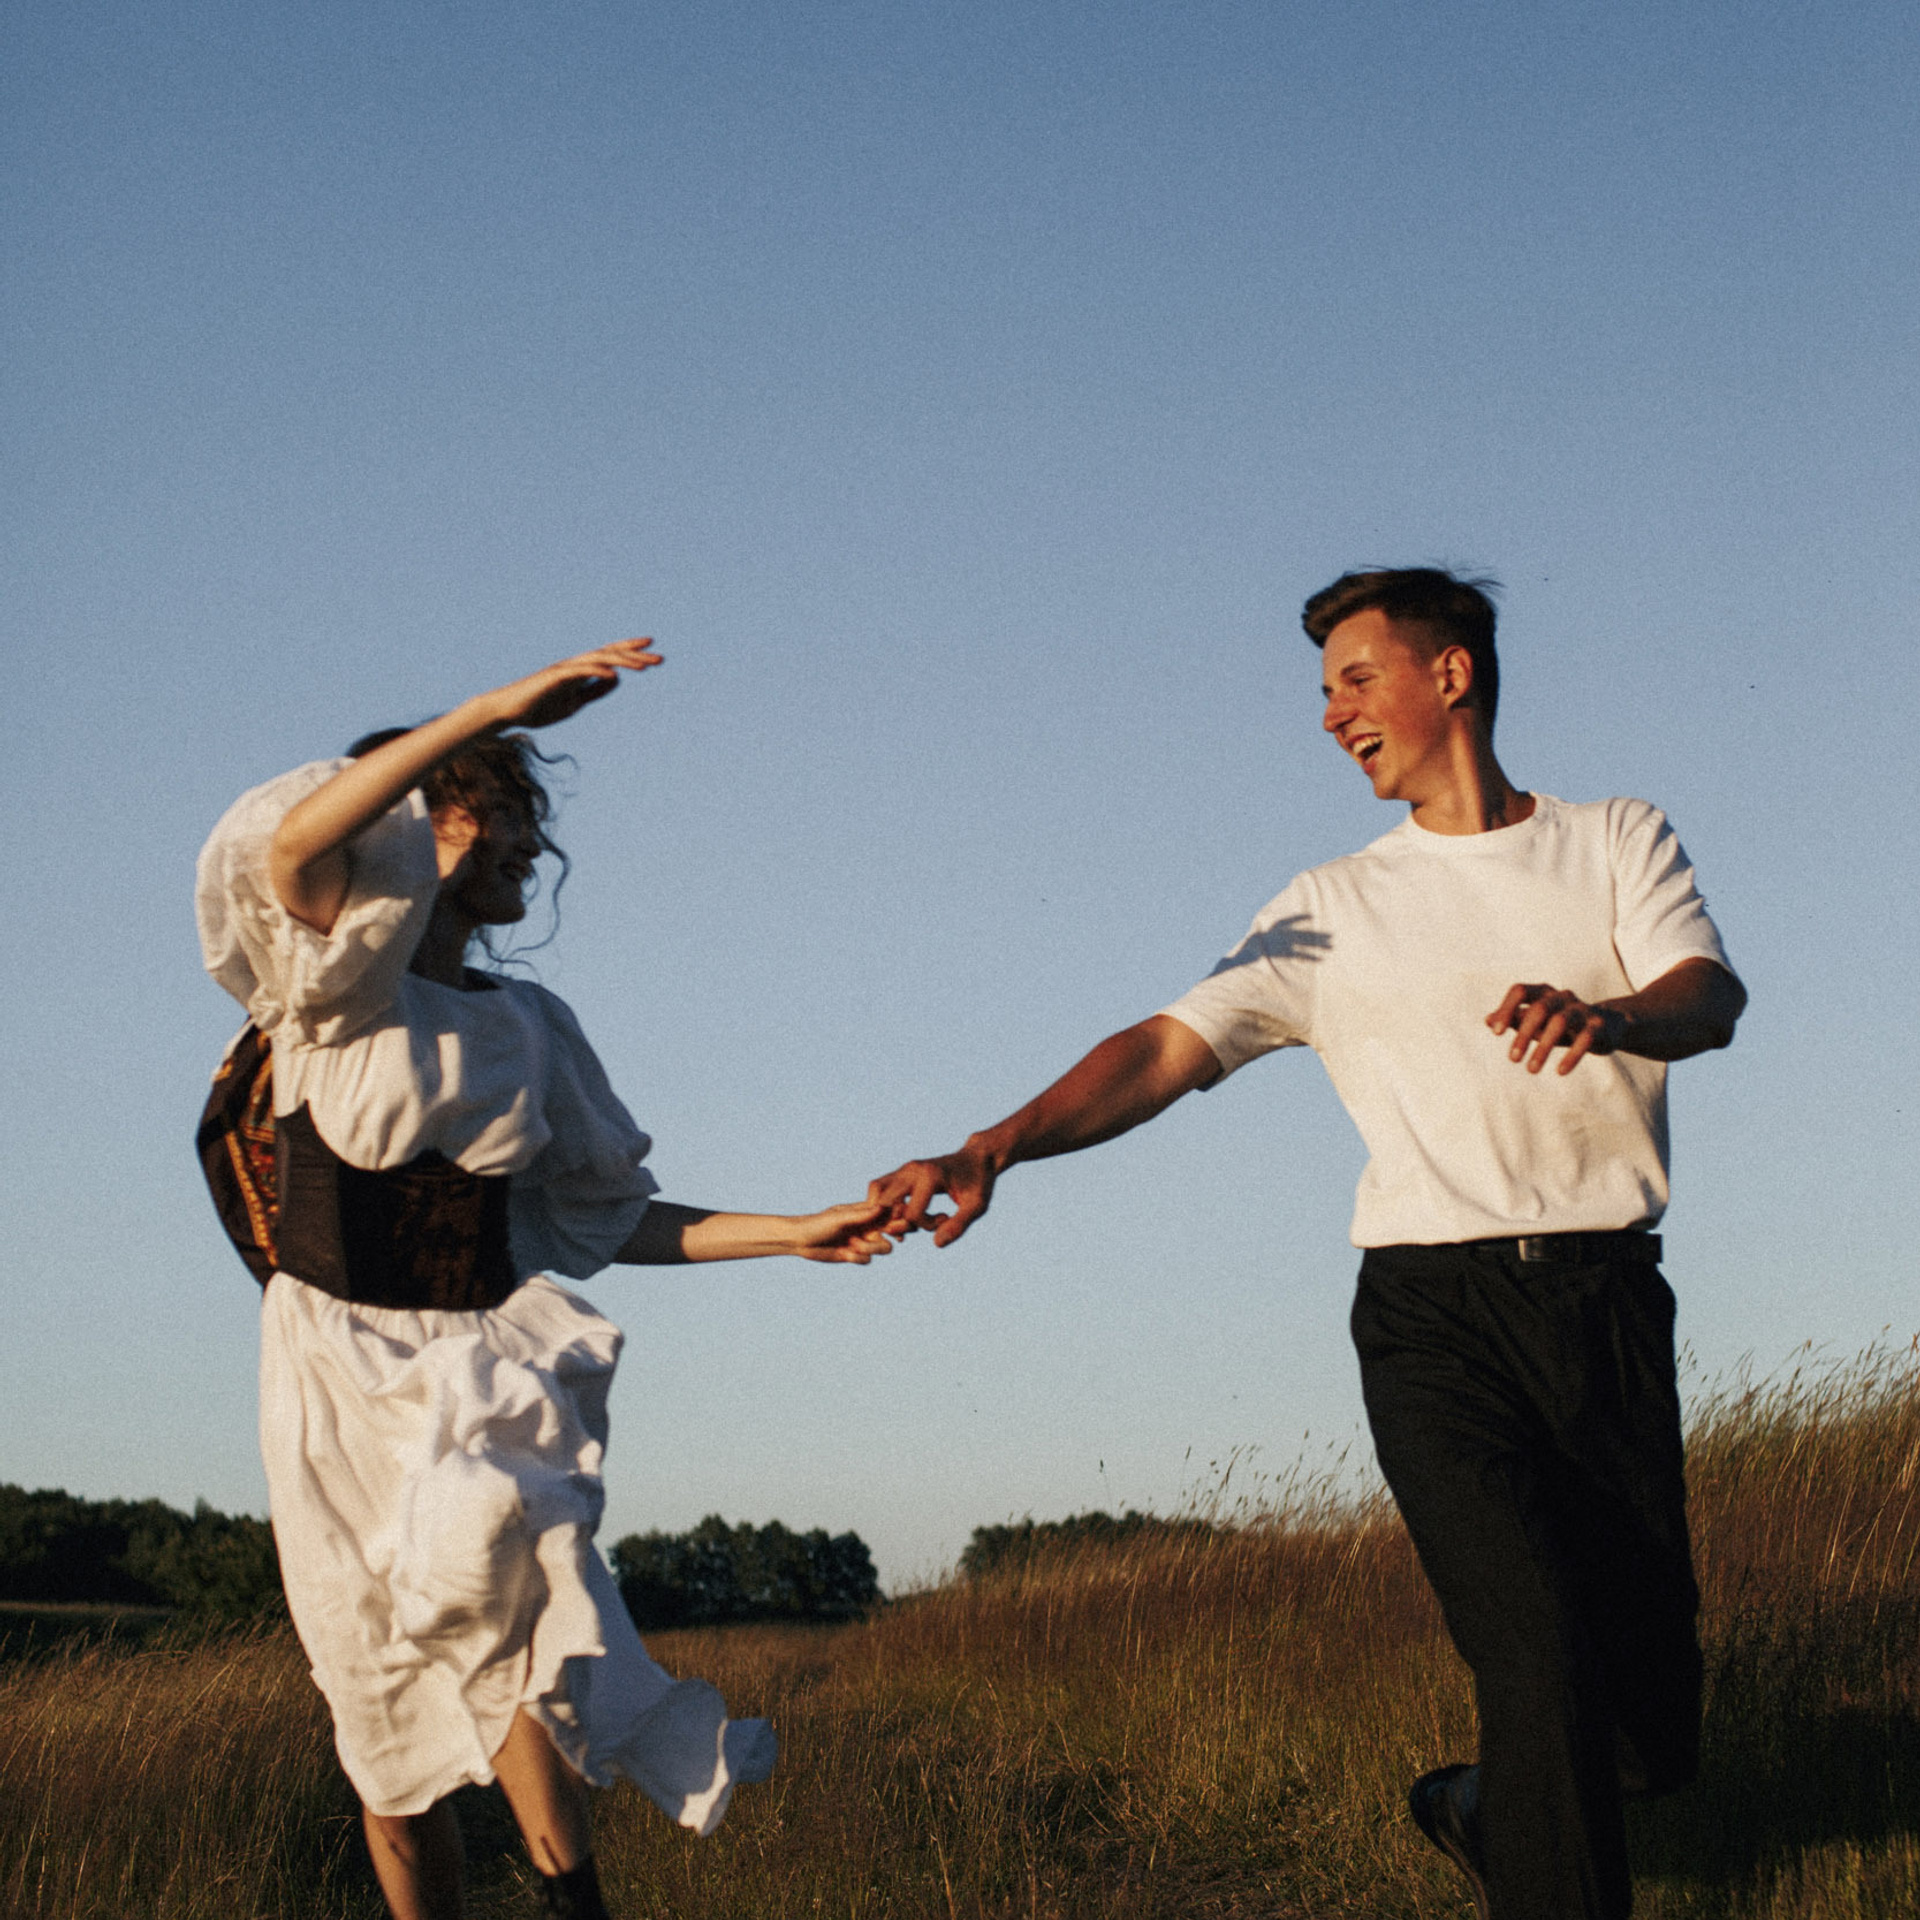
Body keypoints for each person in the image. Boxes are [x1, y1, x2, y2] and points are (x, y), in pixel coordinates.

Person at [872, 569, 1745, 1920]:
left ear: (1450, 676)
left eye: (1355, 678)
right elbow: (1169, 1045)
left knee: (1640, 1737)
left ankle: (1470, 1808)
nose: (1333, 715)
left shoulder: (1612, 836)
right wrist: (994, 1144)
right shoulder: (1332, 903)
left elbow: (1708, 992)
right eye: (1324, 691)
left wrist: (1614, 1017)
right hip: (1433, 1318)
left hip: (1606, 1302)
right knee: (1537, 1653)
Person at [196, 640, 896, 1920]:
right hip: (340, 1379)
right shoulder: (329, 999)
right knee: (386, 1690)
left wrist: (793, 1230)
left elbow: (604, 1220)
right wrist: (486, 708)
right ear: (423, 825)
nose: (534, 843)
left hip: (478, 1364)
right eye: (504, 811)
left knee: (523, 1642)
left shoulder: (532, 1030)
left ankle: (579, 1906)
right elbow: (295, 850)